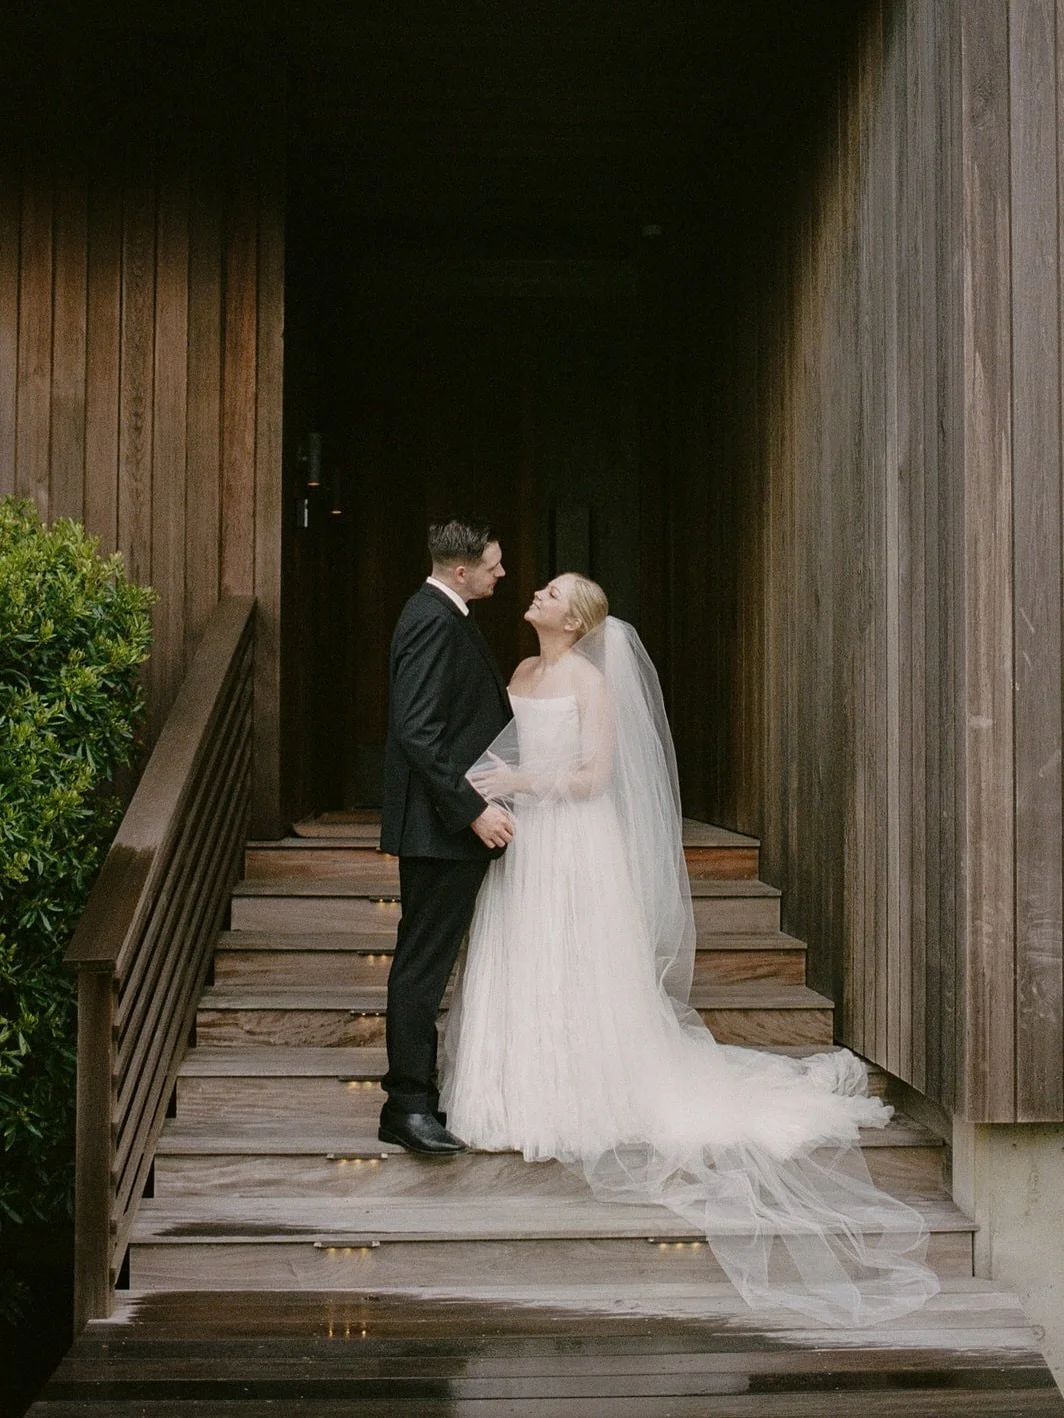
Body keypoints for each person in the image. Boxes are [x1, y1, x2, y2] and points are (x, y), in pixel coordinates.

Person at [440, 571, 940, 1326]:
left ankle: (586, 1097)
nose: (537, 594)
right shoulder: (520, 671)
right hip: (527, 843)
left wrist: (521, 779)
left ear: (574, 620)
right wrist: (499, 790)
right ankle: (511, 1098)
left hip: (575, 843)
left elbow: (596, 776)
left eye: (552, 592)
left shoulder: (588, 681)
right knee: (523, 963)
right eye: (539, 587)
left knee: (578, 966)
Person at [378, 516, 514, 1156]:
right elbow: (417, 731)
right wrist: (472, 811)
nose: (502, 573)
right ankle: (406, 1105)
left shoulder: (443, 613)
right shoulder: (434, 619)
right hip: (440, 831)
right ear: (461, 570)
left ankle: (414, 1100)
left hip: (445, 828)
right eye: (493, 565)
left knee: (424, 966)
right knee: (421, 971)